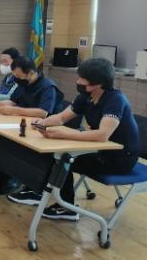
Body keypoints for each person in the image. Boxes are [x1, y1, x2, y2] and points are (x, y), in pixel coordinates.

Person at [8, 58, 140, 220]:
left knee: (62, 160)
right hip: (101, 150)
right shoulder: (86, 96)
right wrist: (42, 123)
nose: (78, 81)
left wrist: (64, 134)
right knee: (53, 157)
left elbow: (102, 135)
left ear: (98, 83)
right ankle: (42, 194)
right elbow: (61, 118)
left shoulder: (115, 100)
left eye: (82, 79)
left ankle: (65, 207)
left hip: (119, 159)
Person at [0, 56, 64, 196]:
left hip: (41, 130)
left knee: (10, 145)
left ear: (31, 73)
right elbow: (13, 101)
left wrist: (14, 110)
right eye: (14, 75)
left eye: (18, 75)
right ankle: (3, 177)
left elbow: (43, 113)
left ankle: (8, 179)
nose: (16, 78)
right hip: (21, 124)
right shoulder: (23, 83)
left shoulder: (48, 87)